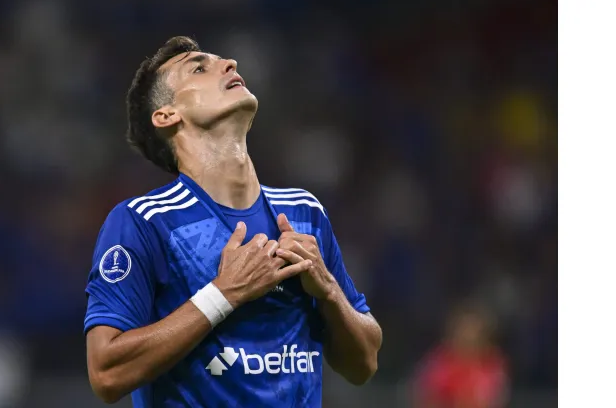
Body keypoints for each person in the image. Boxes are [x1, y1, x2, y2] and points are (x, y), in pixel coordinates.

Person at [84, 36, 383, 407]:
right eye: (199, 67)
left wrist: (327, 289)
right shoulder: (145, 222)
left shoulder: (305, 213)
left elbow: (364, 363)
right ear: (166, 115)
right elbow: (106, 373)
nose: (230, 63)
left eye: (222, 60)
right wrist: (223, 294)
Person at [411, 304, 509, 408]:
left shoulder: (492, 365)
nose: (467, 338)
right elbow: (424, 398)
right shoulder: (437, 362)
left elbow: (489, 401)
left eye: (473, 332)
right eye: (462, 331)